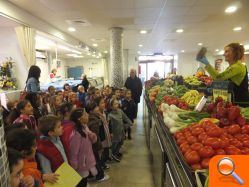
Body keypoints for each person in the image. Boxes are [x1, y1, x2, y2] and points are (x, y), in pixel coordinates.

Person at [69, 108, 98, 187]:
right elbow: (73, 152)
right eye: (85, 114)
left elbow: (91, 141)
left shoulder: (84, 127)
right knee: (81, 182)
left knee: (84, 180)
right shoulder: (76, 134)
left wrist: (92, 136)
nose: (88, 115)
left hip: (85, 161)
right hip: (80, 165)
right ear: (79, 119)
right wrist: (74, 166)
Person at [86, 102, 110, 182]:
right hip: (95, 143)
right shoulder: (95, 119)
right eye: (95, 108)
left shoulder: (93, 117)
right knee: (96, 160)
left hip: (92, 143)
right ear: (91, 111)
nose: (97, 109)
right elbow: (95, 134)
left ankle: (90, 175)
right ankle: (100, 176)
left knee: (93, 159)